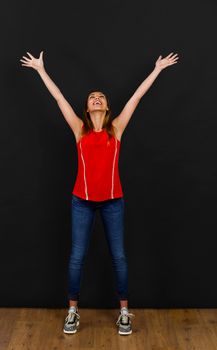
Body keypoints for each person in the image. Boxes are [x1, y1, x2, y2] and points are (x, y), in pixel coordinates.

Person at [20, 50, 179, 335]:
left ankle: (124, 312)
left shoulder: (116, 129)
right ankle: (72, 311)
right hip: (81, 202)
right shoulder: (79, 130)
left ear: (106, 108)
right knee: (76, 257)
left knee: (119, 257)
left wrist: (156, 70)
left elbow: (136, 98)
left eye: (101, 97)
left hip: (113, 203)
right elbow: (59, 99)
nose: (96, 99)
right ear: (88, 107)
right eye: (92, 97)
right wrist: (41, 70)